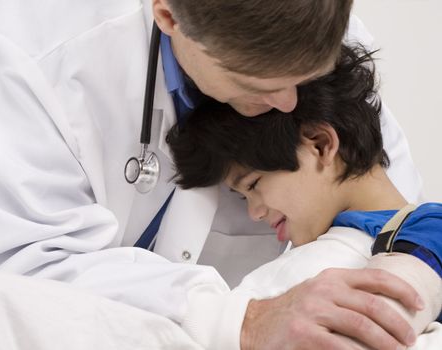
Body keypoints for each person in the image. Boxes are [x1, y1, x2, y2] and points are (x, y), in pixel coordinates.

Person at [0, 1, 428, 349]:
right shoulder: (35, 62)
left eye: (303, 79)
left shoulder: (309, 37)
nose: (290, 104)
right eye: (257, 84)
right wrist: (240, 319)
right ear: (168, 15)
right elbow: (5, 274)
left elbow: (378, 206)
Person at [167, 43, 442, 346]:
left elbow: (380, 325)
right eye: (244, 197)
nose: (254, 213)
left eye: (254, 184)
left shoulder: (428, 228)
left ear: (321, 144)